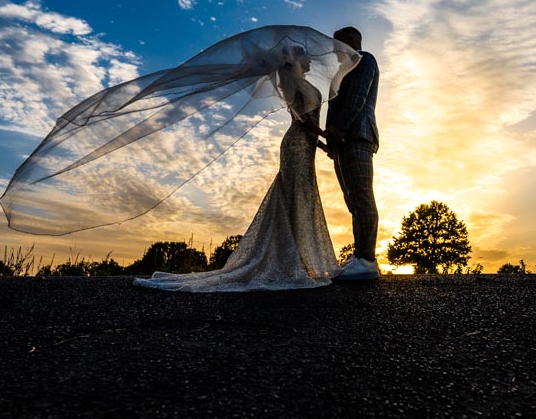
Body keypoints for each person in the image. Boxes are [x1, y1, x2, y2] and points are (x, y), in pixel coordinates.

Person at [134, 45, 342, 292]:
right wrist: (325, 135)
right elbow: (302, 120)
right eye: (305, 54)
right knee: (293, 197)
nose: (310, 59)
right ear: (296, 60)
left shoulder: (303, 84)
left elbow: (309, 124)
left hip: (305, 145)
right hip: (295, 146)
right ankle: (291, 260)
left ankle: (298, 259)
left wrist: (322, 144)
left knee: (300, 198)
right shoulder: (293, 84)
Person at [325, 26, 381, 281]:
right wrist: (332, 141)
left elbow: (357, 97)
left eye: (338, 44)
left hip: (356, 135)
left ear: (350, 41)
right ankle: (359, 256)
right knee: (352, 201)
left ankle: (367, 260)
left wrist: (340, 128)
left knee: (361, 197)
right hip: (343, 140)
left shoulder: (363, 59)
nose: (335, 50)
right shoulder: (341, 70)